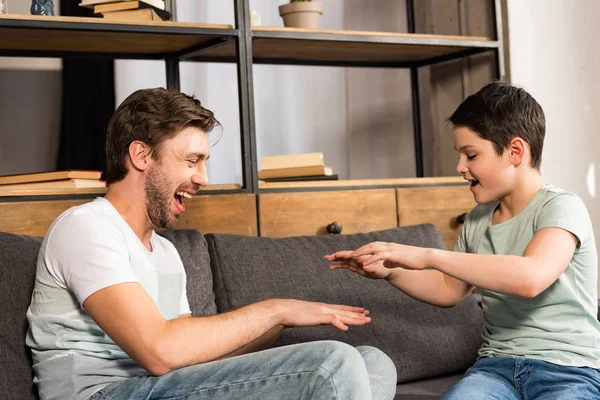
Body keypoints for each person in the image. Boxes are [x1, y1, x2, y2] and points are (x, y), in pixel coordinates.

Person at [26, 88, 397, 400]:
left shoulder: (166, 251)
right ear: (141, 156)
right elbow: (160, 351)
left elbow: (191, 361)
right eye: (192, 160)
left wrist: (276, 326)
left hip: (161, 386)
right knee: (331, 363)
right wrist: (274, 310)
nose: (203, 178)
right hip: (104, 392)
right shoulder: (87, 228)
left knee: (371, 360)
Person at [326, 81, 600, 399]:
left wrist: (430, 255)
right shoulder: (478, 219)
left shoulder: (561, 206)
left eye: (471, 155)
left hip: (569, 371)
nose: (460, 167)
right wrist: (390, 270)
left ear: (515, 152)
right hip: (496, 369)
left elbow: (531, 278)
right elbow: (448, 288)